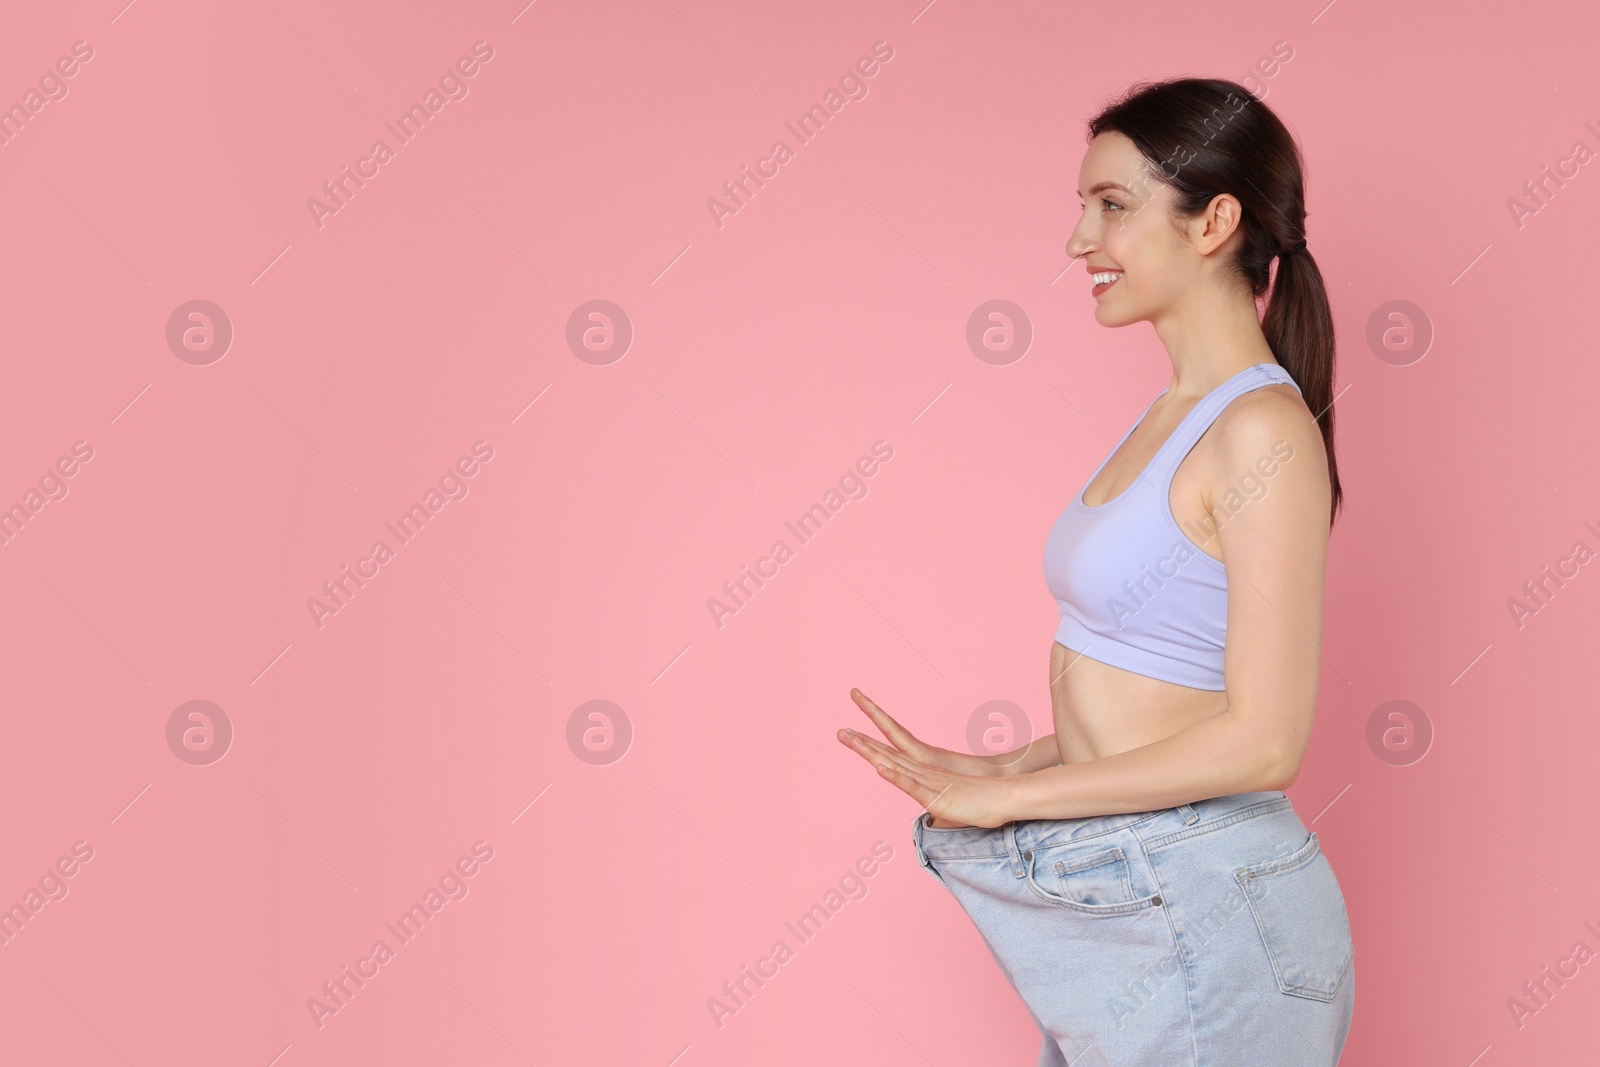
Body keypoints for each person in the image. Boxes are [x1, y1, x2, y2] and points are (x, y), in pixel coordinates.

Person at [837, 77, 1355, 1064]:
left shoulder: (1262, 434)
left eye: (1111, 206)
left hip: (1210, 896)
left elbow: (1262, 742)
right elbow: (1166, 677)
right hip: (1129, 887)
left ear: (1213, 221)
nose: (1079, 241)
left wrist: (1013, 802)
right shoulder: (1172, 416)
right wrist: (1010, 762)